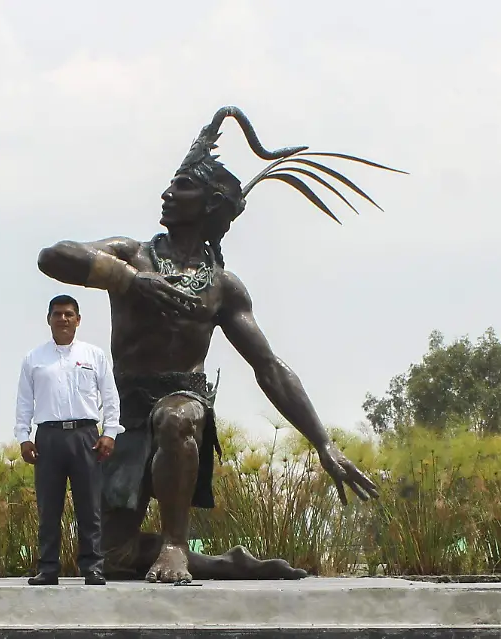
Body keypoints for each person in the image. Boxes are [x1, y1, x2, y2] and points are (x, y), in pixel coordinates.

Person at [36, 107, 392, 584]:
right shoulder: (132, 255)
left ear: (208, 204)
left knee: (178, 417)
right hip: (127, 410)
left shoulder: (221, 287)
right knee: (109, 554)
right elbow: (54, 256)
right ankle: (228, 563)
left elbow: (268, 366)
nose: (166, 193)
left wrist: (322, 441)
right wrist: (128, 282)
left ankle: (176, 544)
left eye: (181, 186)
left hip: (183, 399)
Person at [13, 295, 122, 585]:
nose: (63, 319)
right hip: (48, 437)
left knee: (89, 506)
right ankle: (48, 568)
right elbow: (25, 401)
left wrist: (110, 432)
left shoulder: (93, 355)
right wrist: (23, 437)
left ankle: (93, 567)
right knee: (49, 507)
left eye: (69, 314)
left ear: (78, 319)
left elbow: (110, 397)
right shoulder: (34, 359)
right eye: (57, 314)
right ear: (48, 318)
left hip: (86, 436)